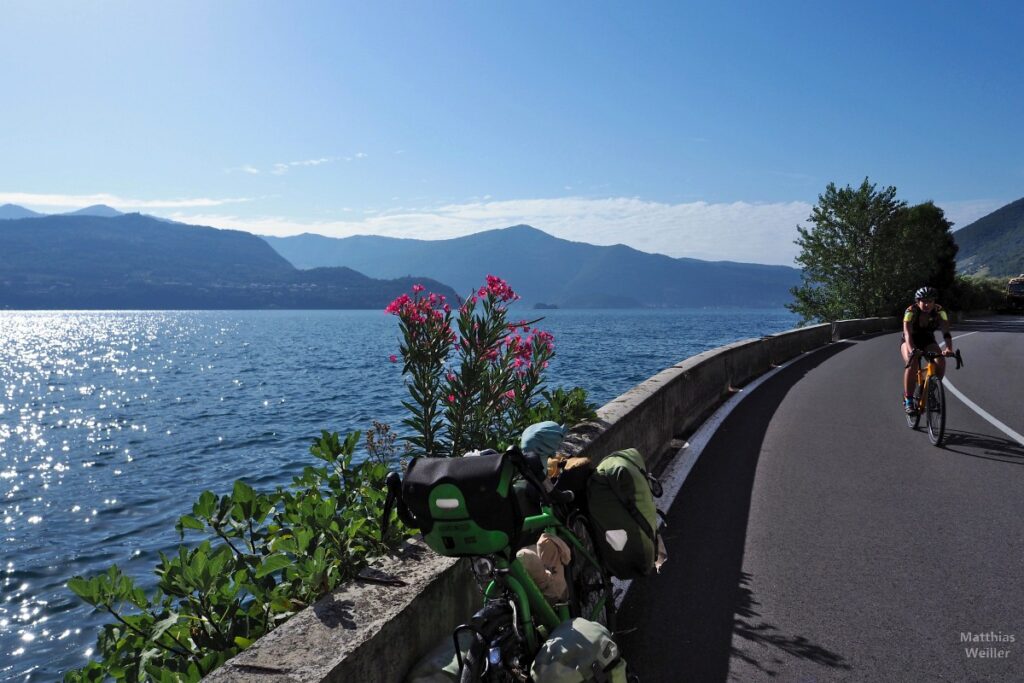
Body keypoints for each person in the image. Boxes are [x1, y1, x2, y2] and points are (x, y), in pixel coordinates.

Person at [901, 286, 955, 414]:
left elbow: (946, 332)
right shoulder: (910, 311)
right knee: (912, 362)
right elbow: (907, 333)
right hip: (910, 340)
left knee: (940, 361)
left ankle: (928, 389)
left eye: (930, 301)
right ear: (917, 301)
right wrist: (912, 350)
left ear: (934, 301)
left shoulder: (939, 311)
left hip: (927, 339)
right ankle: (908, 399)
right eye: (923, 301)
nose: (927, 304)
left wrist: (949, 348)